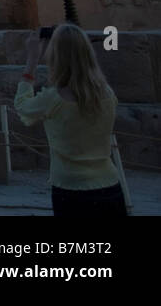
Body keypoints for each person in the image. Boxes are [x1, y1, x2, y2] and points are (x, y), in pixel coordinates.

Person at [14, 24, 125, 217]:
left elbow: (23, 108)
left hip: (71, 189)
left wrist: (32, 60)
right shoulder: (108, 94)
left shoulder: (54, 99)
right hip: (109, 185)